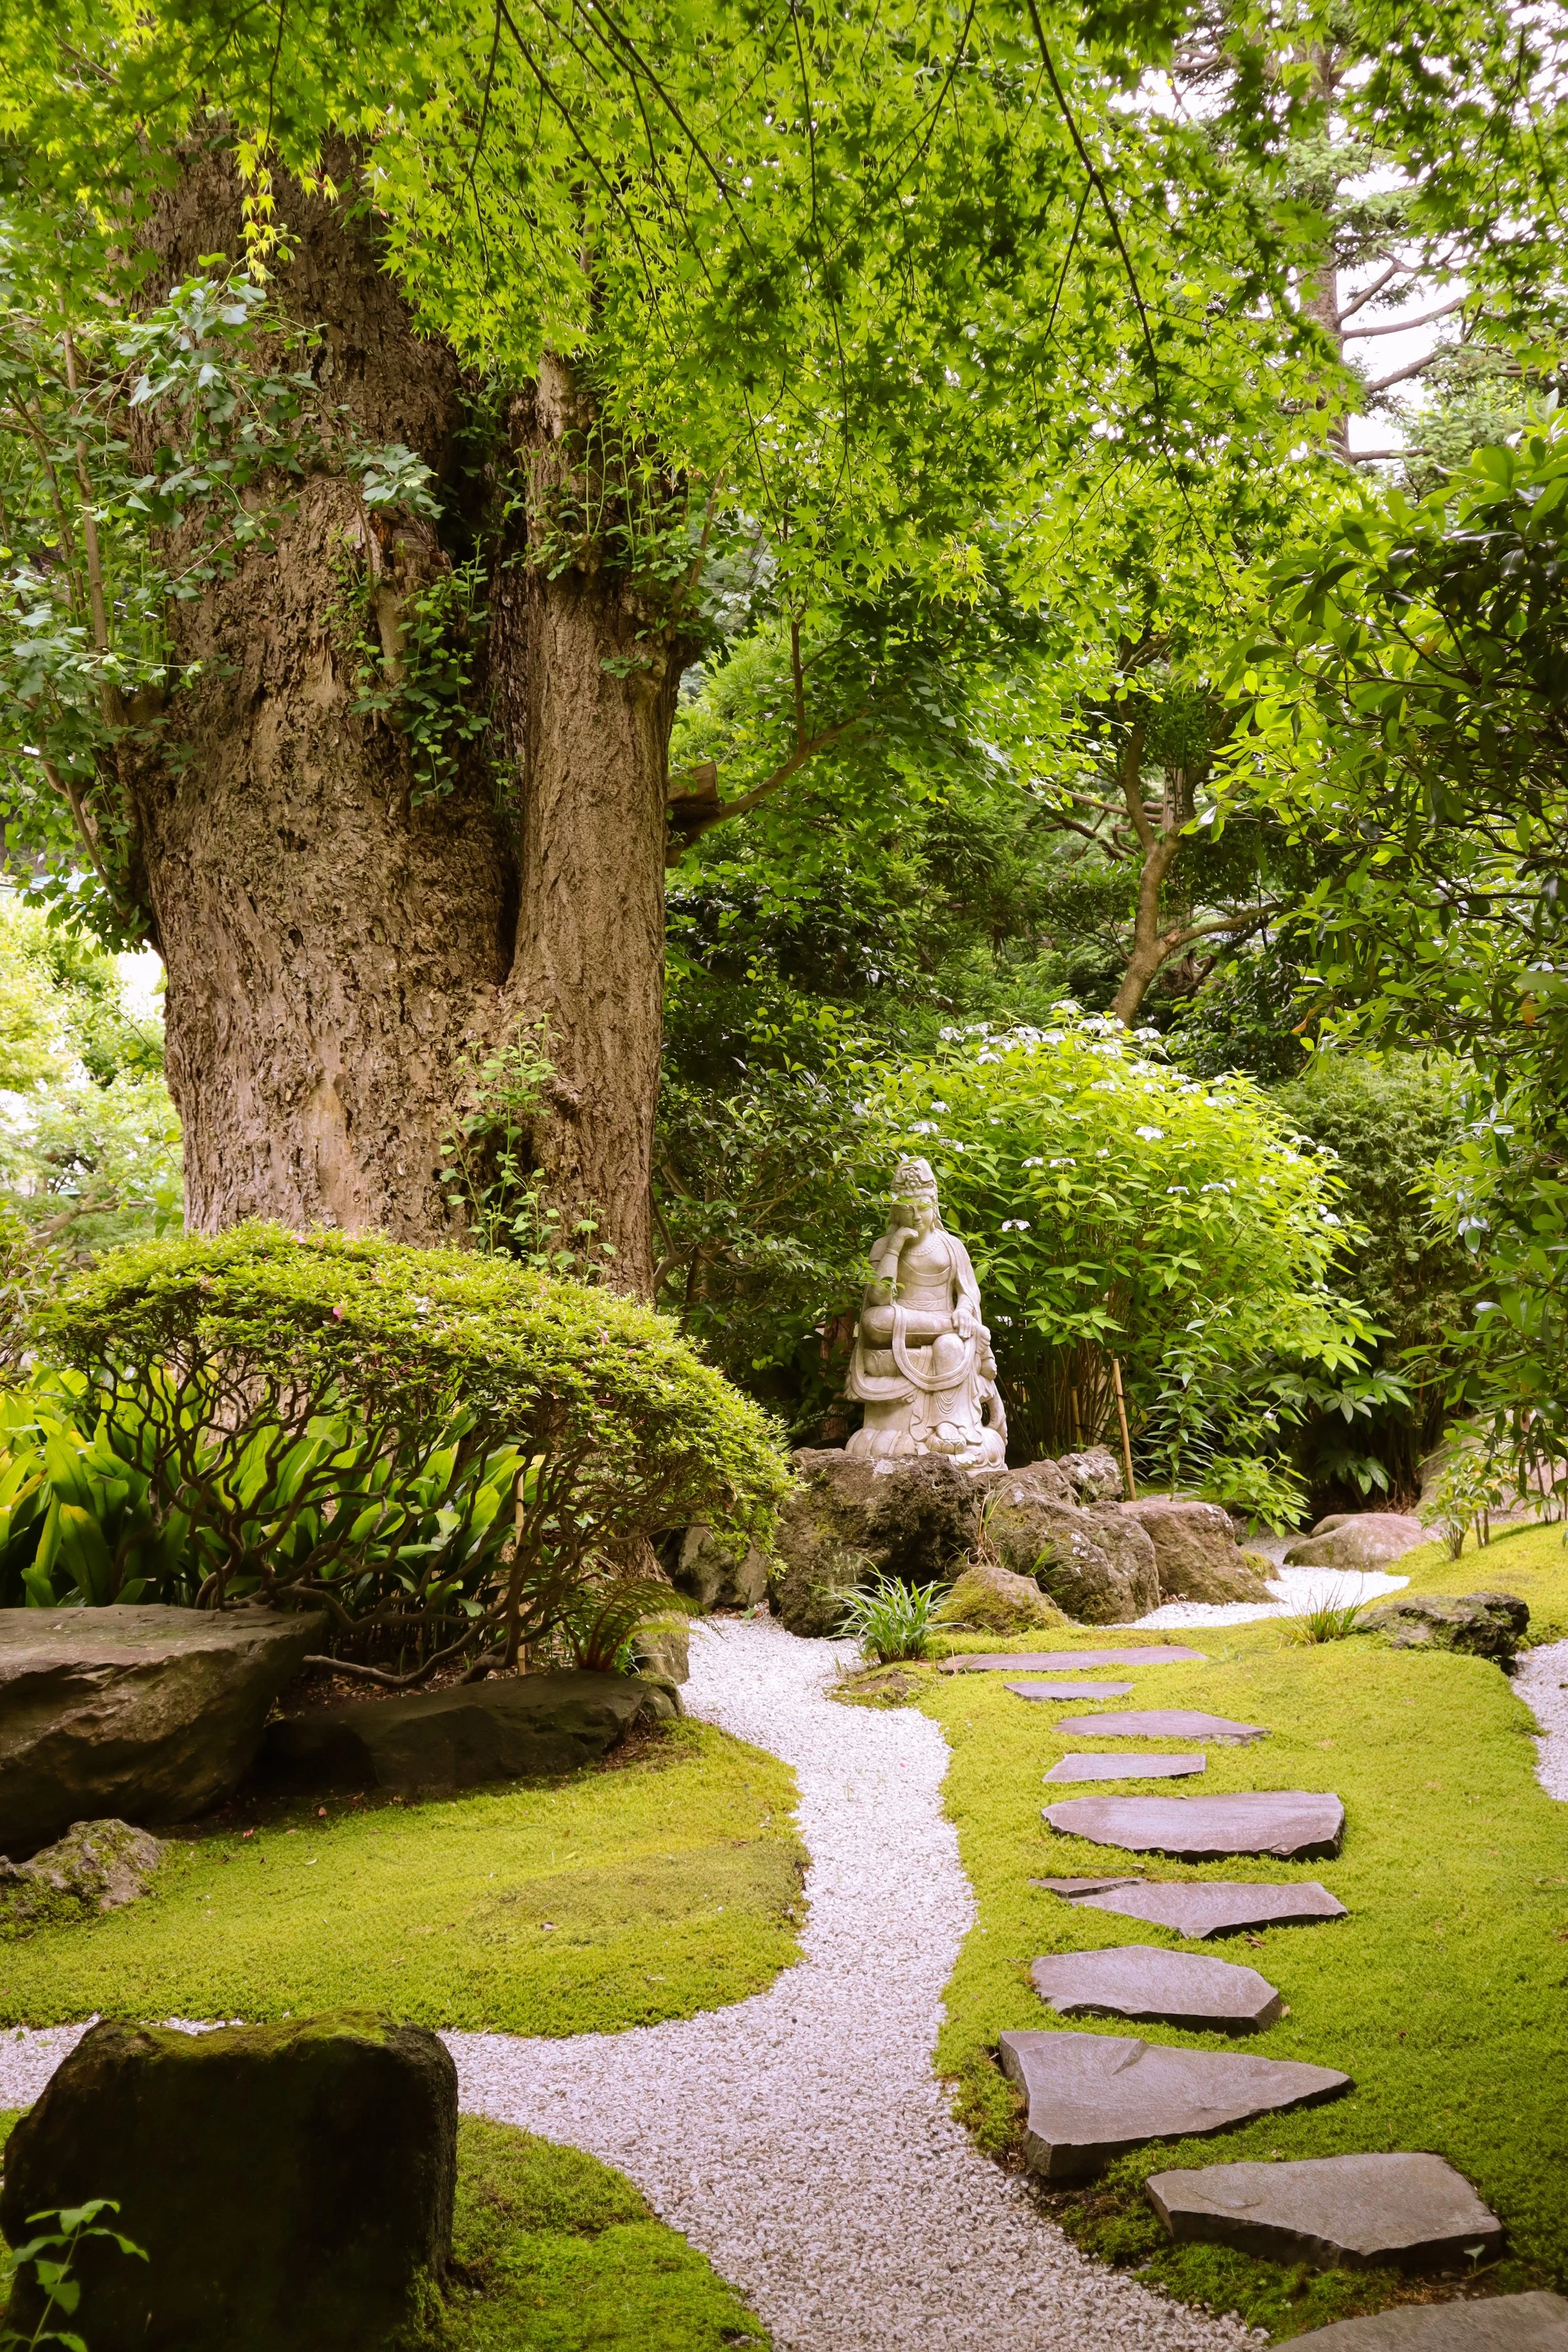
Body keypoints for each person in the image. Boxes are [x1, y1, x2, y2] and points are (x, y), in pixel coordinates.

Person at [844, 1157, 1006, 1466]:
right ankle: (950, 1327)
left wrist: (963, 1309)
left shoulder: (952, 1246)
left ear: (934, 1205)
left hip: (948, 1331)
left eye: (922, 1207)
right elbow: (879, 1299)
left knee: (950, 1344)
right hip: (899, 1323)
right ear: (895, 1210)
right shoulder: (884, 1246)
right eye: (907, 1209)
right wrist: (895, 1245)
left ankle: (950, 1426)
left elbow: (970, 1292)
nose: (916, 1216)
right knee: (876, 1320)